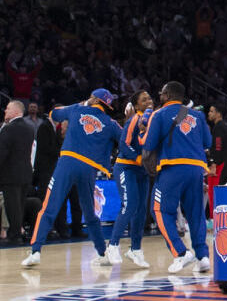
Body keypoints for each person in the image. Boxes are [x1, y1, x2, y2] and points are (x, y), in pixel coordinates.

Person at [21, 89, 121, 268]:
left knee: (48, 208)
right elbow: (125, 140)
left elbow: (54, 114)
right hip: (89, 168)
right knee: (90, 213)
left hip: (68, 162)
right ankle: (102, 253)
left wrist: (81, 104)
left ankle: (35, 251)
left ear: (93, 98)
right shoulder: (110, 122)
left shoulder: (76, 109)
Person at [142, 81, 212, 273]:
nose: (159, 95)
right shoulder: (198, 115)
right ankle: (203, 257)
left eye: (161, 92)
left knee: (159, 210)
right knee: (196, 214)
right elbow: (208, 142)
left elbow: (148, 144)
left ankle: (181, 252)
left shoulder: (159, 114)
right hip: (197, 169)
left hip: (172, 167)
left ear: (167, 94)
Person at [109, 89, 153, 268]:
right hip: (126, 167)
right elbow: (124, 144)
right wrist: (139, 158)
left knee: (142, 210)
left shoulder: (153, 120)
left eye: (150, 97)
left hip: (142, 171)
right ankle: (113, 245)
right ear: (136, 106)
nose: (148, 101)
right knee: (129, 205)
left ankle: (135, 250)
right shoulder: (135, 119)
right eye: (144, 99)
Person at [0, 99, 37, 245]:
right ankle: (17, 232)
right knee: (20, 205)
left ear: (17, 111)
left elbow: (0, 154)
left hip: (10, 174)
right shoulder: (30, 128)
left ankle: (15, 235)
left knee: (12, 206)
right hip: (25, 173)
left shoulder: (8, 129)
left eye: (8, 109)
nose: (5, 111)